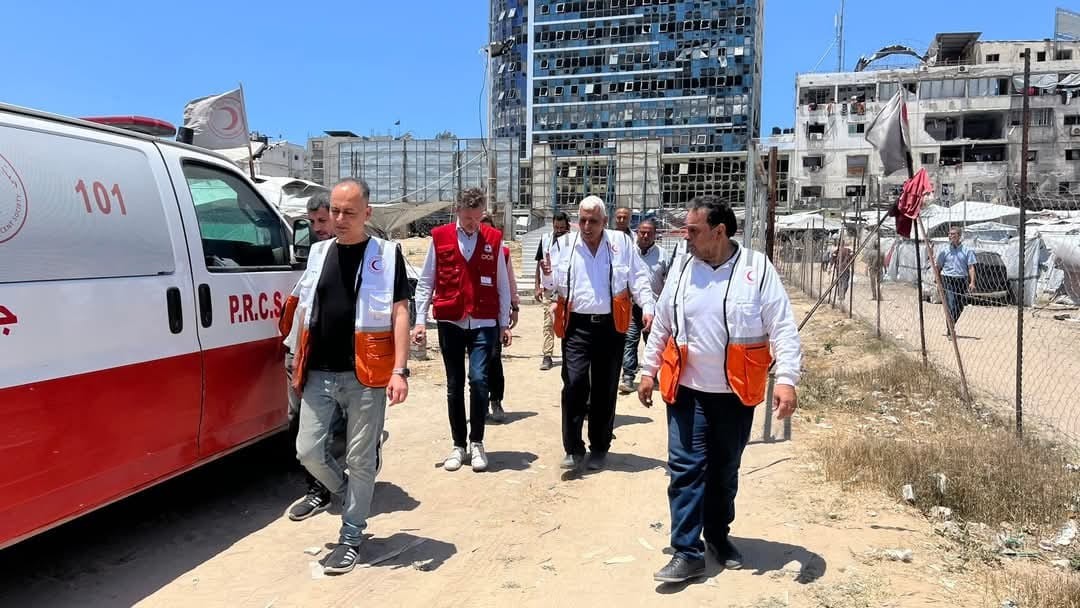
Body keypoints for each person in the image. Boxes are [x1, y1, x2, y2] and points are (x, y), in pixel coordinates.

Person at [637, 196, 801, 584]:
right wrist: (648, 370)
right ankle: (687, 551)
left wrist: (787, 379)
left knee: (724, 470)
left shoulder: (756, 269)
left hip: (735, 394)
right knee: (685, 468)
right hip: (686, 389)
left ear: (719, 231)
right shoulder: (682, 268)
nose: (686, 236)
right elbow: (662, 323)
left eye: (693, 230)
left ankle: (717, 535)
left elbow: (782, 326)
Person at [280, 178, 412, 575]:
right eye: (334, 211)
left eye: (348, 212)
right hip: (319, 371)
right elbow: (306, 306)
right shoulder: (319, 252)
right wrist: (294, 353)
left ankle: (351, 535)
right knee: (308, 450)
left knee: (360, 458)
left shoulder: (386, 255)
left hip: (367, 373)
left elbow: (400, 311)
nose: (339, 219)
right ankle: (348, 491)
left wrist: (400, 369)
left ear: (366, 213)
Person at [540, 196, 655, 471]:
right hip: (576, 325)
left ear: (604, 221)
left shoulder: (621, 243)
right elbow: (552, 284)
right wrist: (547, 276)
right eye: (582, 220)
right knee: (574, 383)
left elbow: (638, 278)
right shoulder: (564, 245)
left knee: (605, 387)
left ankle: (600, 447)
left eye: (593, 221)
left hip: (611, 325)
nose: (587, 226)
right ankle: (573, 449)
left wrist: (648, 306)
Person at [412, 188, 513, 473]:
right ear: (457, 211)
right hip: (451, 321)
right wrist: (420, 321)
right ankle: (458, 445)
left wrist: (504, 322)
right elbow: (426, 281)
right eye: (467, 218)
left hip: (484, 321)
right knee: (454, 385)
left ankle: (477, 441)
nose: (472, 224)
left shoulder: (493, 239)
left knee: (479, 380)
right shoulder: (439, 237)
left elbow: (502, 284)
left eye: (476, 218)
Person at [619, 218, 670, 394]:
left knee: (654, 342)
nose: (645, 236)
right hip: (633, 307)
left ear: (655, 235)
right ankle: (628, 376)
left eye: (649, 233)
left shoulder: (663, 255)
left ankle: (652, 375)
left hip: (655, 309)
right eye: (642, 232)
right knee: (630, 341)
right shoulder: (629, 253)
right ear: (637, 233)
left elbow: (669, 282)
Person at [481, 214, 521, 423]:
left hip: (496, 313)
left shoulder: (502, 252)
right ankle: (479, 403)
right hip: (475, 314)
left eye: (489, 229)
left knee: (494, 358)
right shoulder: (467, 251)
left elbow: (509, 281)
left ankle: (495, 400)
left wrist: (514, 306)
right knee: (478, 362)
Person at [534, 212, 570, 371]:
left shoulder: (572, 241)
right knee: (548, 322)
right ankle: (547, 355)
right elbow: (539, 263)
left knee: (567, 323)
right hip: (549, 288)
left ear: (567, 226)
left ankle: (568, 355)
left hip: (566, 289)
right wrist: (537, 285)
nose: (559, 230)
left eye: (562, 228)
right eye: (556, 227)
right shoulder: (545, 239)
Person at [935, 226, 976, 336]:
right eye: (949, 234)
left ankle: (951, 324)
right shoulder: (944, 251)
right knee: (951, 303)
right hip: (948, 278)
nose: (950, 236)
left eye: (953, 234)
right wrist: (938, 282)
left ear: (959, 236)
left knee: (960, 305)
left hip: (961, 279)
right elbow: (938, 267)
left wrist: (972, 282)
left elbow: (971, 267)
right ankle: (950, 328)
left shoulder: (967, 251)